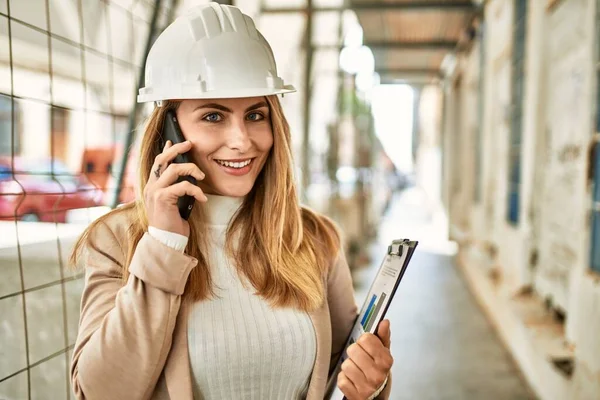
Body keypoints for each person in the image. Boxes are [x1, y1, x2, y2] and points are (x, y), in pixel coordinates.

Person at [69, 3, 393, 399]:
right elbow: (97, 392)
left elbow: (342, 373)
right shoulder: (118, 240)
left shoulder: (313, 237)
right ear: (170, 130)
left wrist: (372, 385)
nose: (241, 141)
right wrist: (163, 244)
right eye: (213, 117)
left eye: (255, 115)